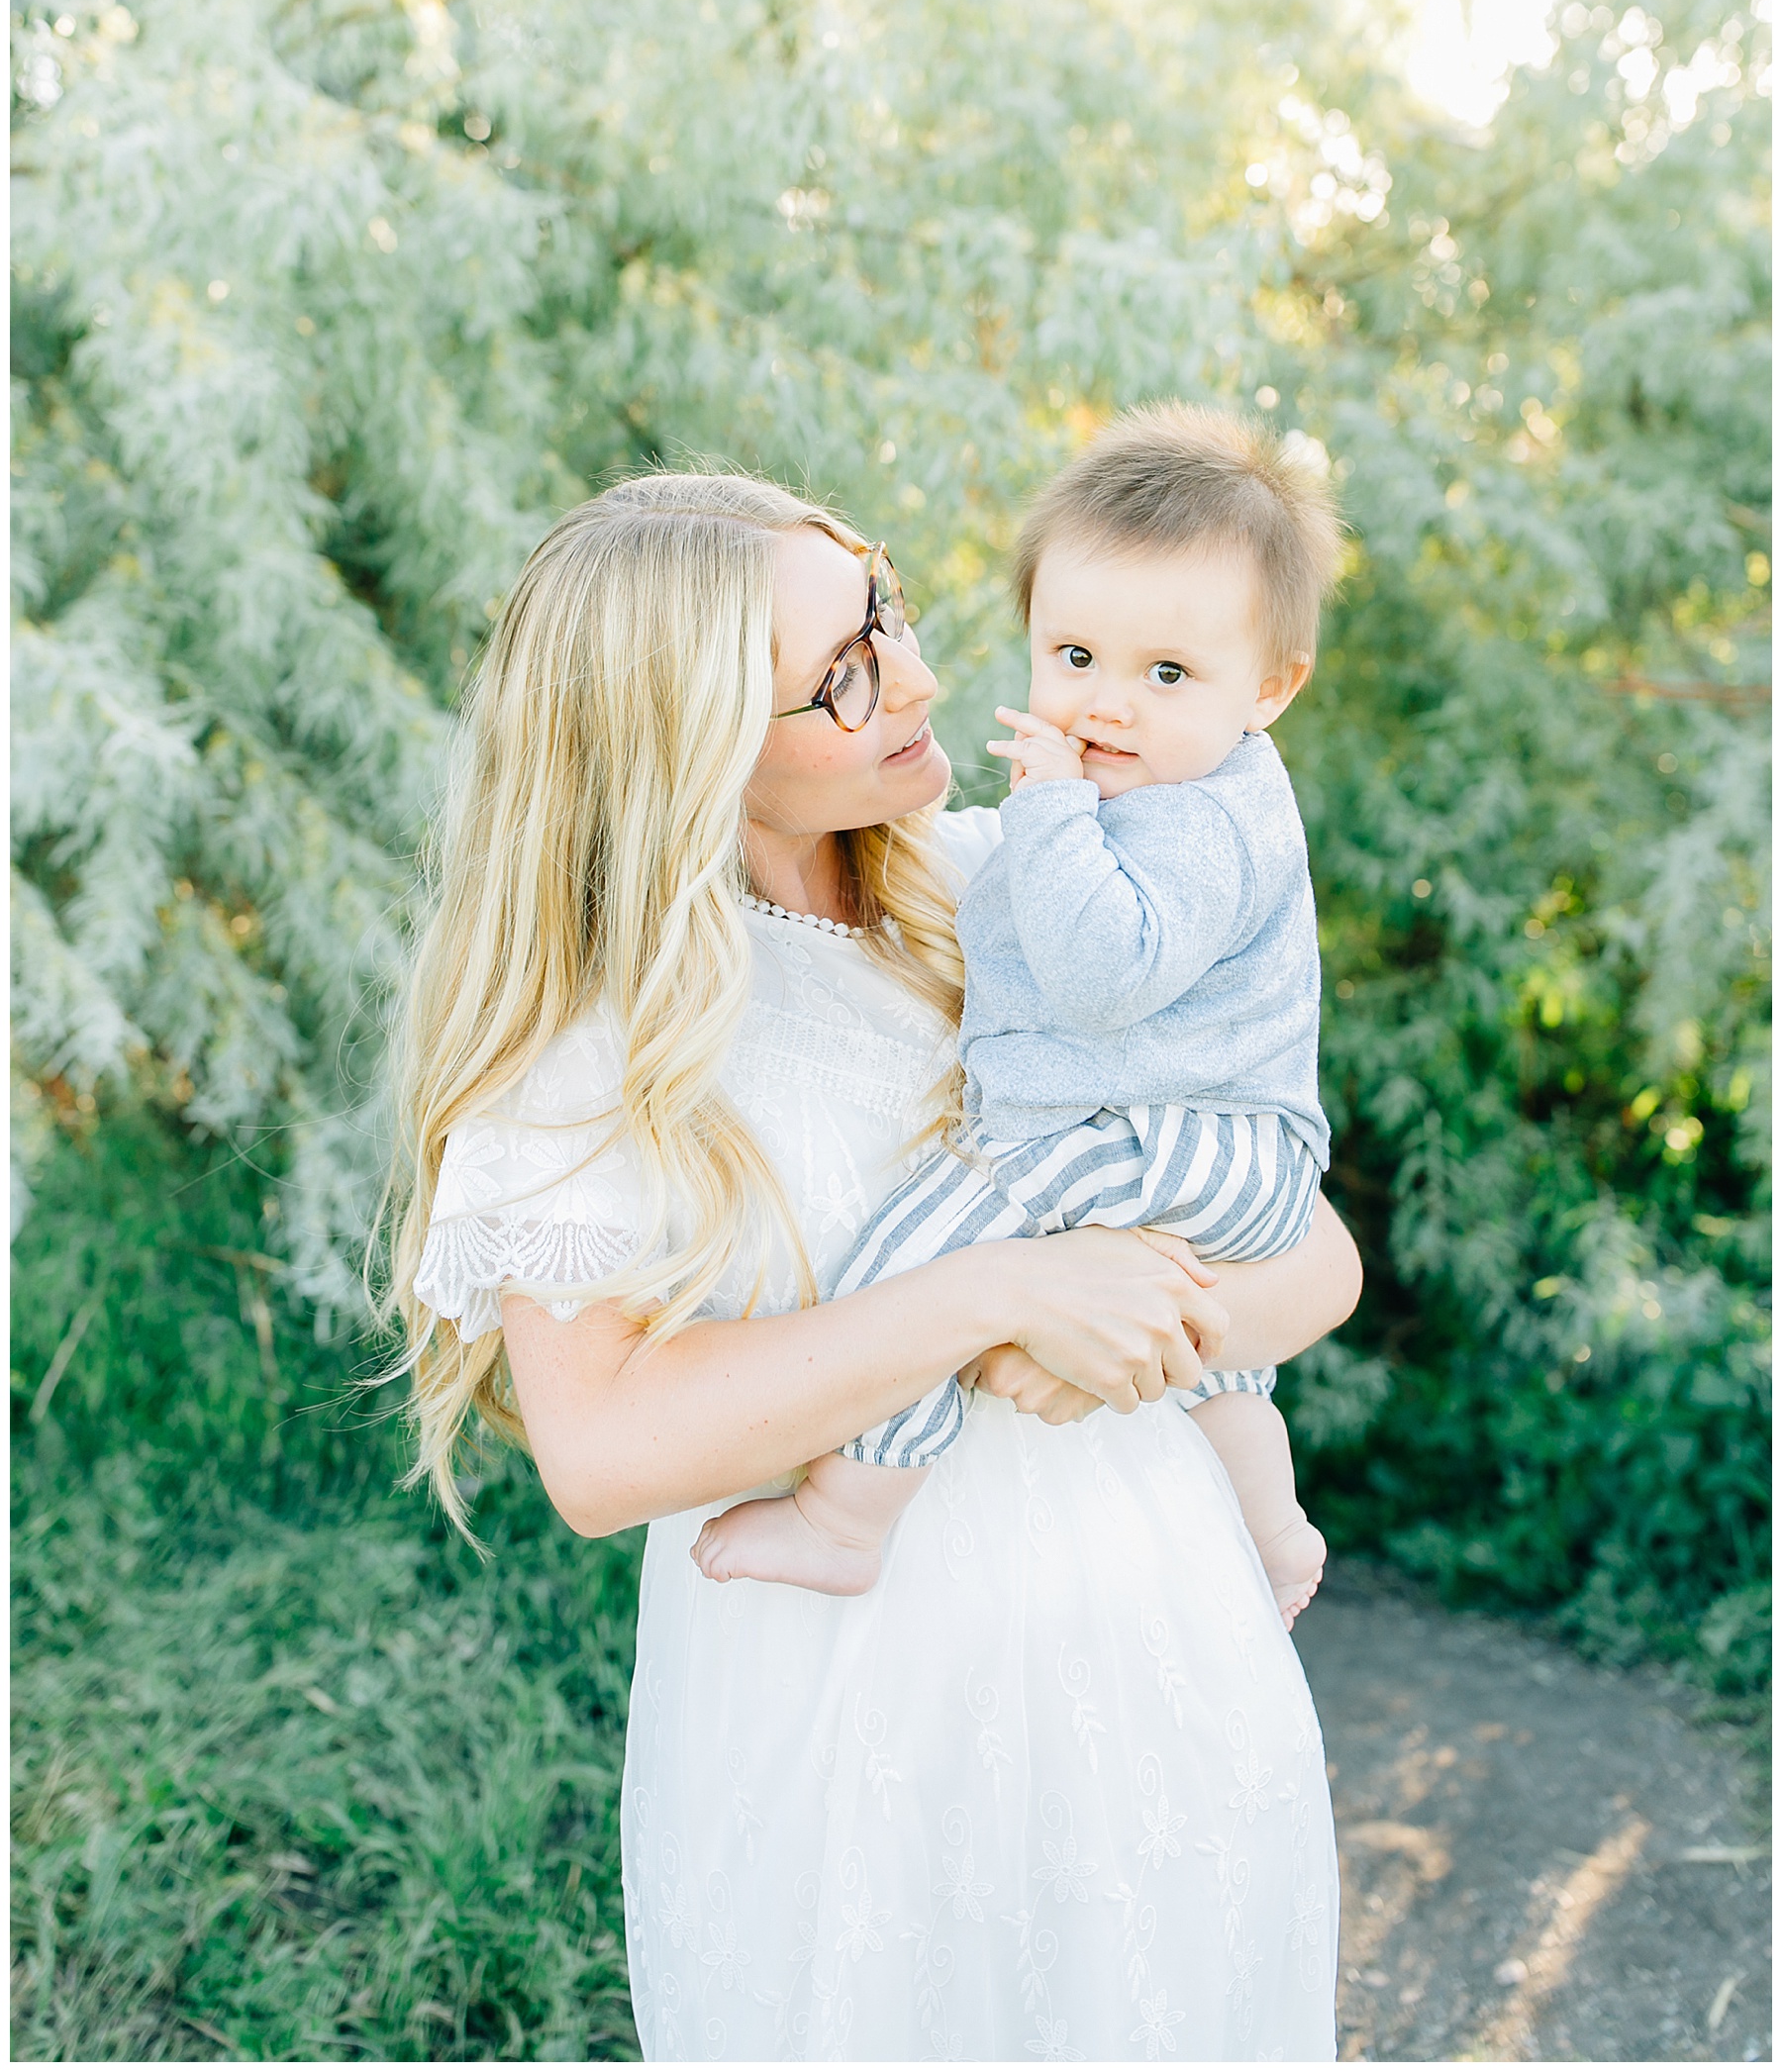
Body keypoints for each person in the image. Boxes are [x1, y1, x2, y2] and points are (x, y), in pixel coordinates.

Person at [387, 468, 1360, 2062]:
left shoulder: (1015, 883)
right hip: (860, 1715)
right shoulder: (593, 1042)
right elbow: (604, 1450)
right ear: (685, 746)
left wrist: (1100, 1334)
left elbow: (1313, 1258)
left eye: (886, 610)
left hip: (1157, 1655)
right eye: (838, 673)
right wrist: (990, 1300)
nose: (915, 676)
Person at [692, 407, 1335, 1626]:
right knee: (1217, 1364)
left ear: (1272, 687)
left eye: (1166, 674)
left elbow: (1102, 973)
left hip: (1191, 1140)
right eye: (1075, 656)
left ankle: (845, 1513)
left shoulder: (1195, 817)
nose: (1106, 707)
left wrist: (1047, 811)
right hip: (1214, 1146)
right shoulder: (1173, 787)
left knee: (935, 1227)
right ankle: (1268, 1515)